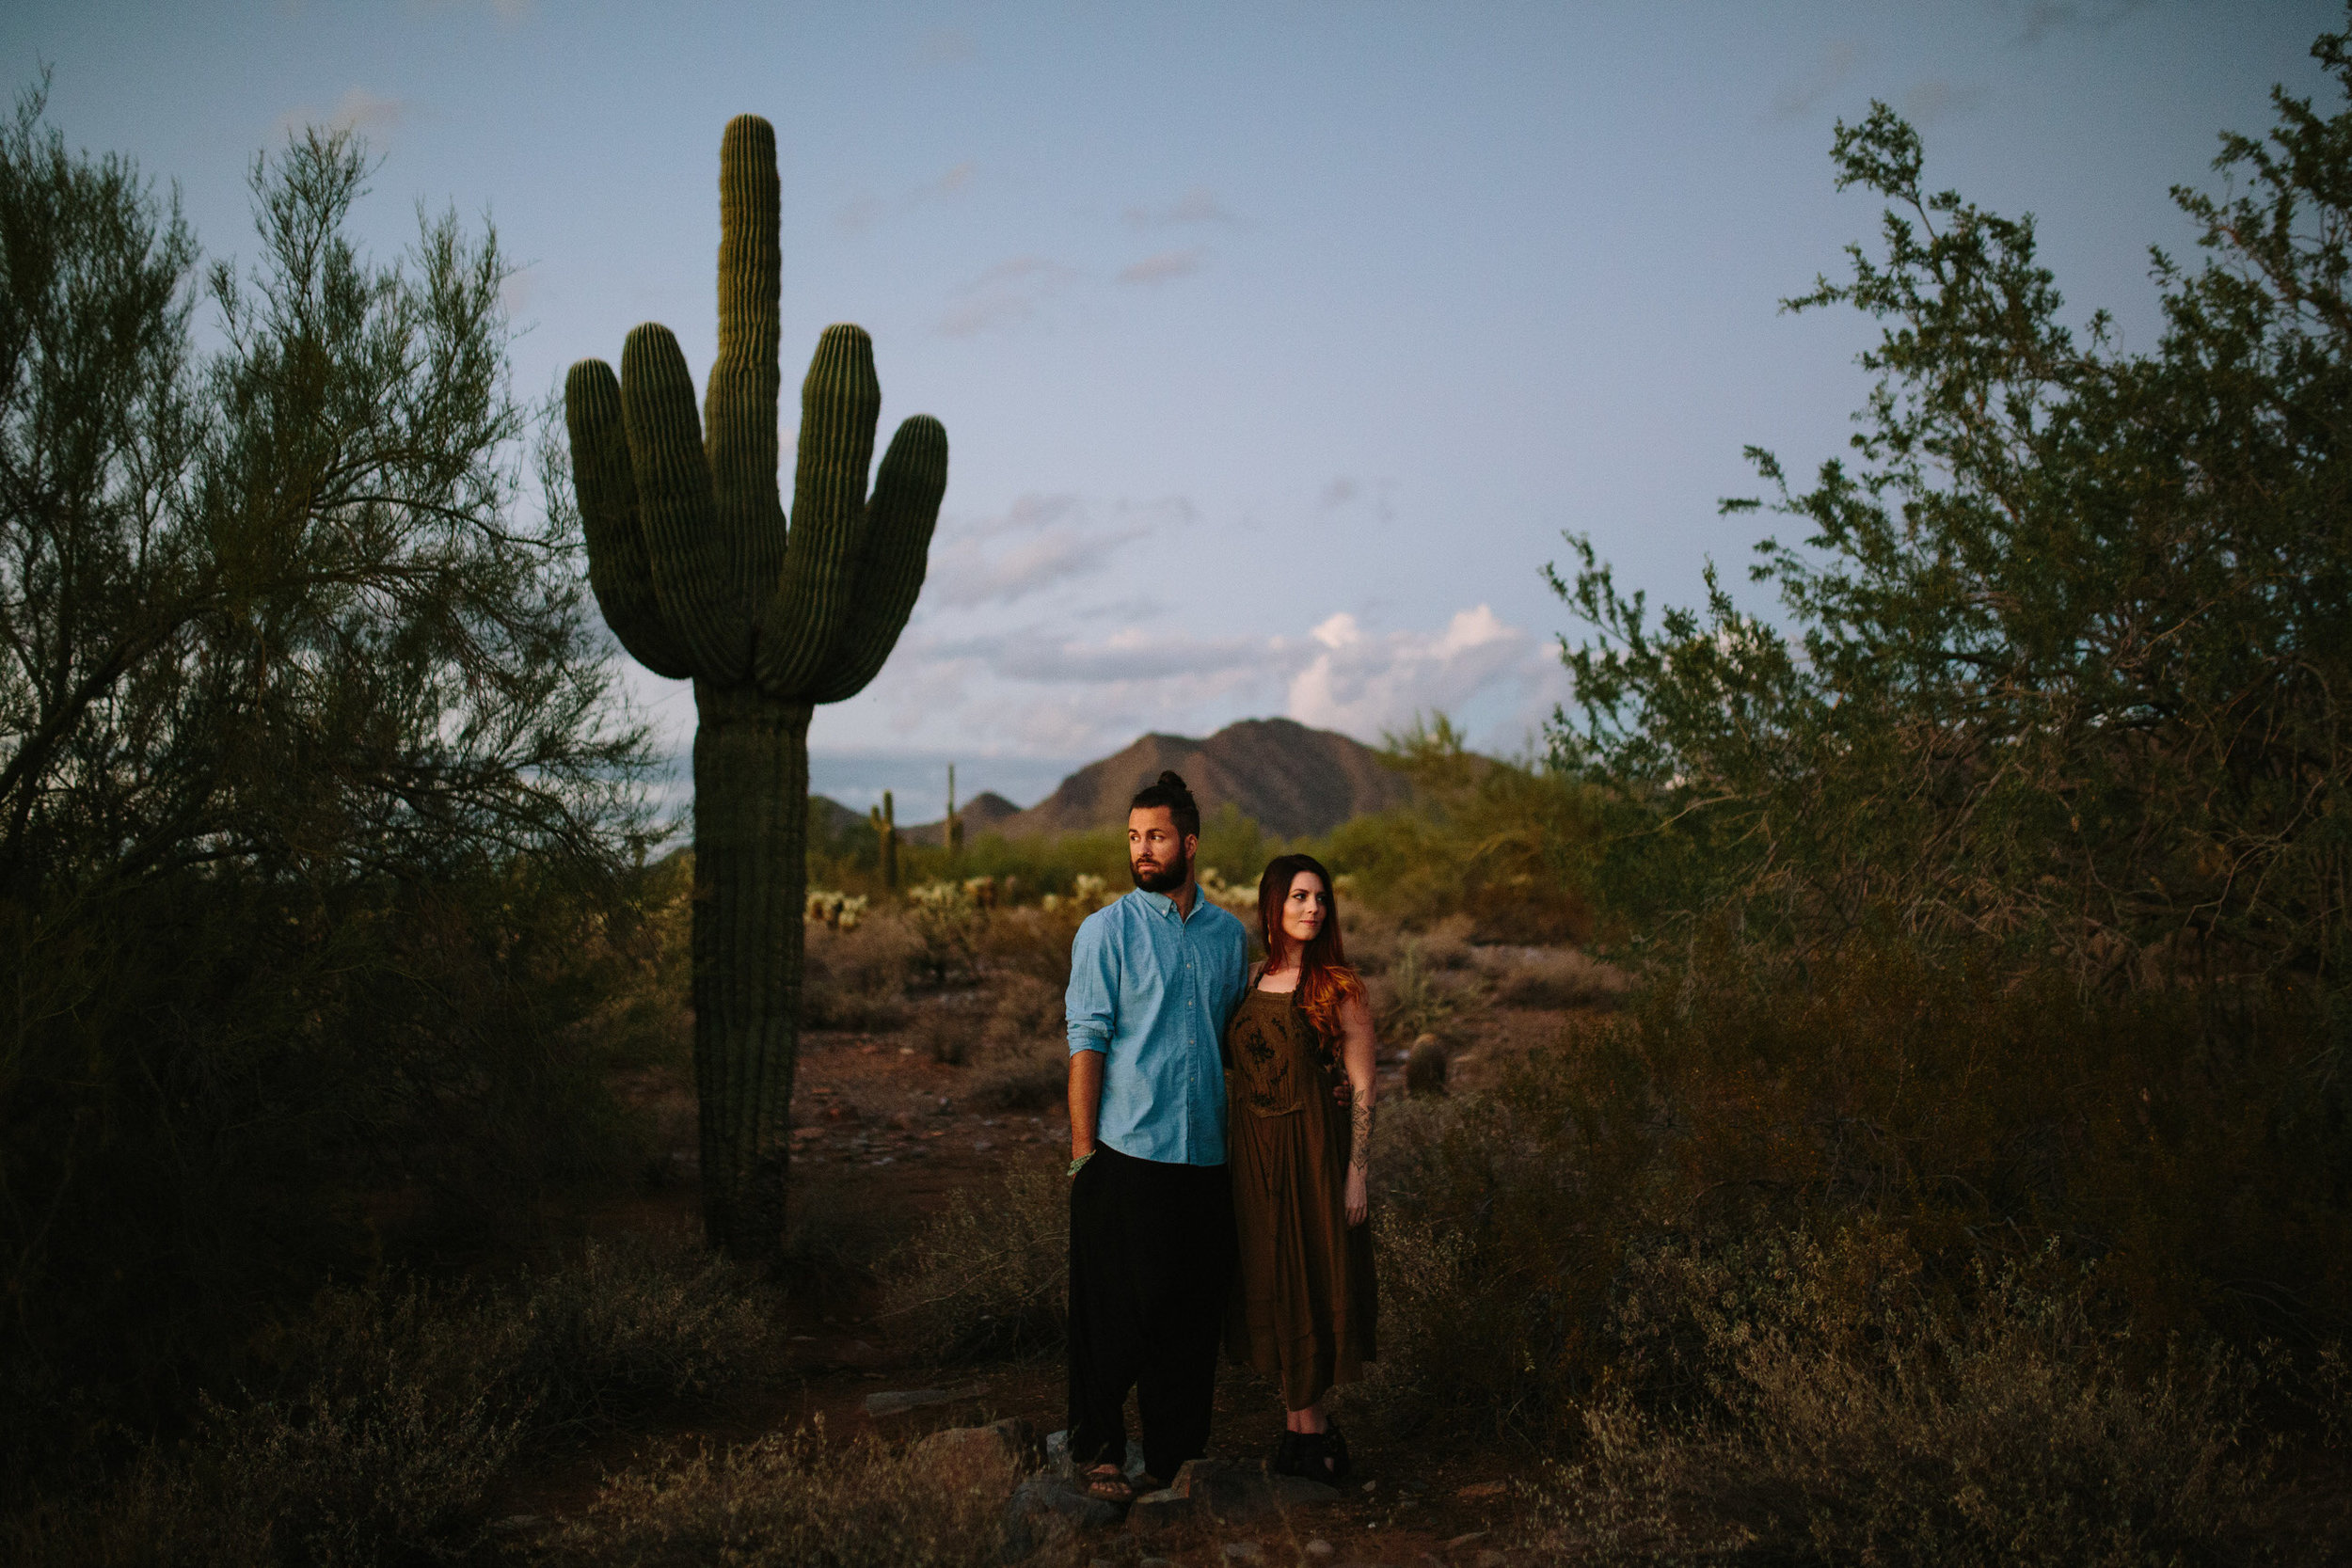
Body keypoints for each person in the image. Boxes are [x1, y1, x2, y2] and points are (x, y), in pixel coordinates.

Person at [1064, 770, 1251, 1498]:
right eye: (1135, 837)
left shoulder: (1227, 936)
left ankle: (1175, 1457)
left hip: (1204, 1153)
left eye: (1158, 836)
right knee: (1114, 1311)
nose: (1143, 849)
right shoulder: (1106, 931)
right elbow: (1088, 1042)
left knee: (1189, 1314)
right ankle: (1101, 1451)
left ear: (1190, 843)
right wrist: (1084, 1154)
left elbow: (1236, 1037)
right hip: (1126, 1149)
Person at [1223, 852, 1377, 1483]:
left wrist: (1356, 1171)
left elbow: (1365, 1086)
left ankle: (1314, 1433)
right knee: (1275, 1281)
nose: (1312, 907)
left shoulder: (1340, 988)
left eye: (1319, 898)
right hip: (1254, 1157)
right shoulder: (1252, 979)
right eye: (1298, 897)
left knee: (1312, 1277)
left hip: (1314, 1153)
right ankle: (1297, 1427)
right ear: (1272, 906)